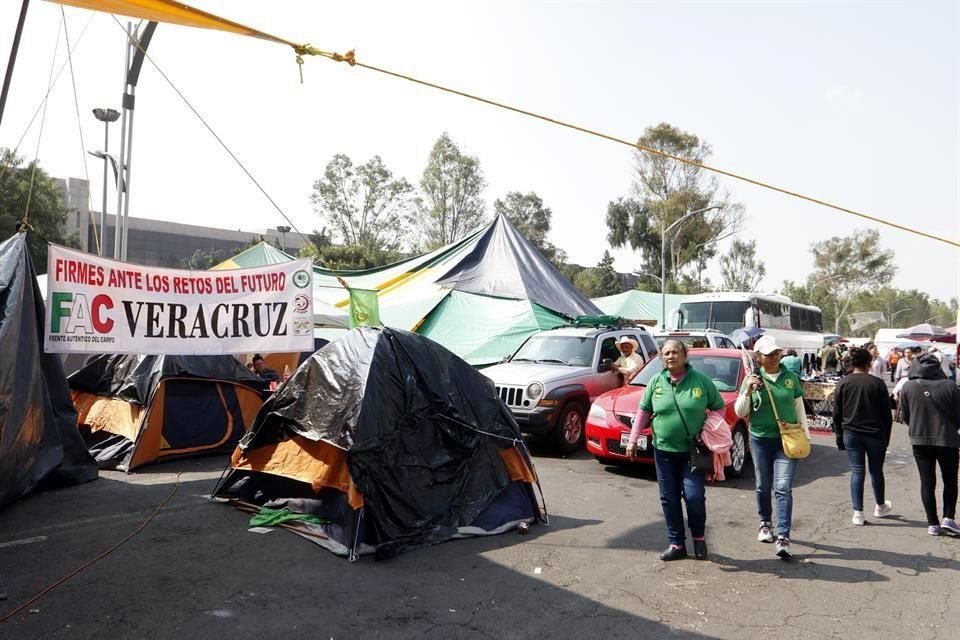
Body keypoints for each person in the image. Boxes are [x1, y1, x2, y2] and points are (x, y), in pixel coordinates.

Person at [625, 340, 725, 561]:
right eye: (666, 353)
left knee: (694, 496)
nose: (671, 356)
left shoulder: (701, 381)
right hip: (663, 451)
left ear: (685, 355)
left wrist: (710, 428)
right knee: (669, 499)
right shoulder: (656, 382)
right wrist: (633, 440)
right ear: (662, 357)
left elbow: (719, 406)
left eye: (675, 352)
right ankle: (677, 544)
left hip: (693, 453)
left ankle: (698, 538)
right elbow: (643, 412)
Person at [735, 334, 808, 560]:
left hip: (786, 440)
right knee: (762, 485)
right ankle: (765, 523)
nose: (775, 357)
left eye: (777, 353)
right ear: (759, 357)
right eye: (770, 354)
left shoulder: (790, 378)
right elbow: (740, 412)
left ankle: (783, 536)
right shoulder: (752, 380)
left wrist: (805, 437)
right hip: (759, 440)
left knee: (783, 487)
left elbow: (799, 408)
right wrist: (748, 390)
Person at [899, 353, 960, 536]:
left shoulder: (908, 386)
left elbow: (905, 416)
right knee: (950, 480)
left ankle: (932, 523)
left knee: (927, 482)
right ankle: (948, 518)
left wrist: (918, 426)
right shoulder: (951, 386)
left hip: (920, 439)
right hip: (947, 439)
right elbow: (959, 416)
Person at [833, 347, 894, 526]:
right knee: (876, 471)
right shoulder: (877, 384)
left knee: (857, 471)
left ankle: (858, 512)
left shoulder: (843, 382)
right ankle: (880, 506)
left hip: (851, 433)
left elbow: (837, 414)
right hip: (875, 434)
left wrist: (839, 437)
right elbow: (887, 416)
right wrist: (886, 439)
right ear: (869, 363)